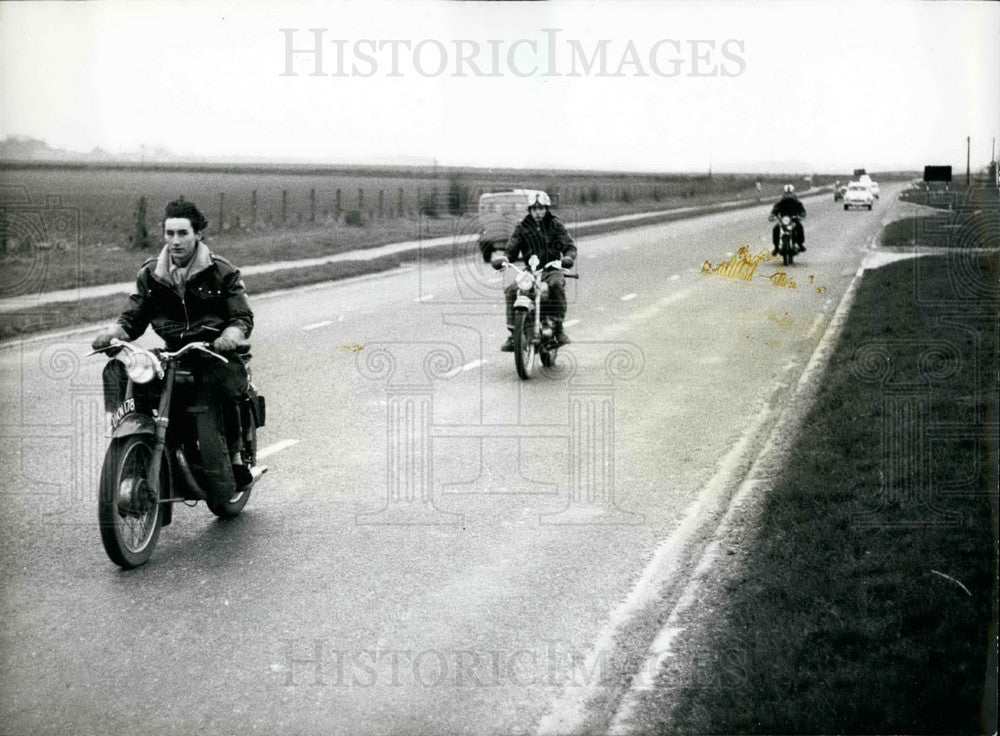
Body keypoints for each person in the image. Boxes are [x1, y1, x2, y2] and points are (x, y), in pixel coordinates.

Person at [91, 198, 255, 496]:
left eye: (183, 233)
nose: (175, 241)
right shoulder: (152, 274)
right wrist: (113, 333)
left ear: (198, 235)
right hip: (174, 354)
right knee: (120, 368)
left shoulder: (221, 271)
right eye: (170, 234)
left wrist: (230, 335)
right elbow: (132, 317)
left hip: (215, 354)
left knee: (210, 393)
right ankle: (131, 438)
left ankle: (230, 465)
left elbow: (241, 316)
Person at [491, 192, 577, 351]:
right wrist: (505, 259)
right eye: (535, 208)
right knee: (511, 291)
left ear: (546, 209)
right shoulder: (522, 227)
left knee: (557, 284)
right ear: (530, 209)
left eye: (541, 208)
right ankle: (513, 334)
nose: (538, 212)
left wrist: (568, 258)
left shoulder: (555, 224)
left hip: (552, 269)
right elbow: (511, 249)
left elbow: (569, 246)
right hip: (531, 271)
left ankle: (558, 328)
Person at [770, 184, 806, 255]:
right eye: (787, 193)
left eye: (790, 193)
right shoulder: (780, 201)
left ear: (792, 192)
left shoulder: (796, 201)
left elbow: (801, 209)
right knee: (776, 229)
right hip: (784, 219)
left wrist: (802, 214)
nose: (788, 194)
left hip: (794, 219)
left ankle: (800, 244)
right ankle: (776, 247)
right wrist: (772, 215)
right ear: (784, 192)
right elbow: (776, 209)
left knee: (799, 228)